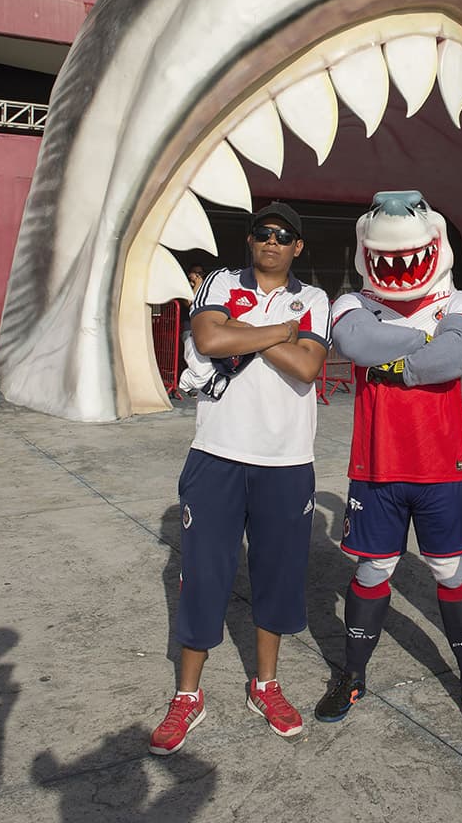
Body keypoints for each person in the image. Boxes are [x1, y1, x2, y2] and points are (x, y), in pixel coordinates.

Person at [149, 202, 331, 754]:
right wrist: (282, 330)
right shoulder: (223, 282)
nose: (271, 241)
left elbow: (307, 367)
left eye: (283, 236)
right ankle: (187, 696)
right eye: (262, 233)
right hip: (217, 453)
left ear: (298, 246)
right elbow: (208, 341)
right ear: (250, 241)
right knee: (204, 574)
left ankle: (265, 686)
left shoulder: (316, 299)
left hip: (285, 459)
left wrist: (243, 330)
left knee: (276, 575)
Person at [314, 190, 462, 734]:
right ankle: (352, 674)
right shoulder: (349, 303)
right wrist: (425, 340)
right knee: (372, 570)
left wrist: (401, 356)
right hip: (375, 468)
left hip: (443, 468)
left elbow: (458, 352)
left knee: (450, 570)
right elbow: (356, 343)